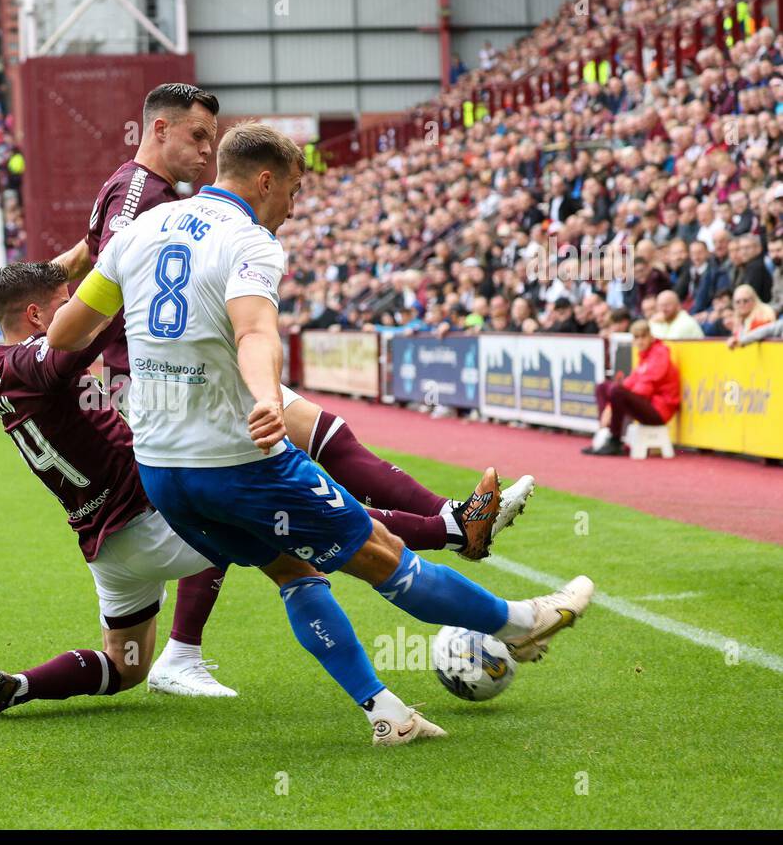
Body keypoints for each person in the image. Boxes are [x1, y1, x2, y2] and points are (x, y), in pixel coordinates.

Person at [48, 123, 592, 746]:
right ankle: (520, 623)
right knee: (381, 554)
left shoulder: (137, 232)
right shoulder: (249, 241)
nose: (293, 205)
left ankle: (385, 710)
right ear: (264, 181)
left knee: (294, 573)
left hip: (163, 471)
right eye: (295, 191)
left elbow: (68, 333)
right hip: (239, 463)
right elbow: (254, 331)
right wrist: (263, 400)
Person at [0, 262, 533, 718]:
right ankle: (452, 535)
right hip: (151, 518)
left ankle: (19, 685)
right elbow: (69, 351)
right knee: (304, 530)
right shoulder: (33, 362)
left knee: (124, 666)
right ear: (36, 317)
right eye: (64, 306)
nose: (78, 311)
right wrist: (133, 286)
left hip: (107, 545)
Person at [583, 320, 681, 456]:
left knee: (616, 392)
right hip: (648, 405)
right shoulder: (644, 356)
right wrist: (609, 406)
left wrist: (611, 405)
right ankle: (605, 433)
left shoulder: (660, 354)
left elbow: (645, 389)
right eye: (636, 338)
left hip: (660, 410)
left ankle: (615, 440)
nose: (640, 341)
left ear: (651, 337)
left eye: (643, 337)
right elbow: (631, 381)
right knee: (603, 387)